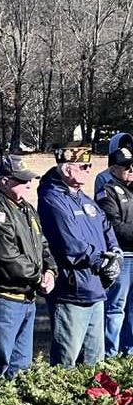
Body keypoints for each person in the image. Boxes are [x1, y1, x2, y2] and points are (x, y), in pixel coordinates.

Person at [0, 155, 56, 377]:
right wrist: (38, 277)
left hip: (25, 298)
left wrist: (50, 270)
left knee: (21, 367)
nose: (28, 185)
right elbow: (6, 257)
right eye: (21, 180)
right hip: (2, 298)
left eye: (29, 180)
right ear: (3, 181)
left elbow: (42, 243)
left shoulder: (26, 207)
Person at [39, 145, 119, 367]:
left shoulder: (83, 197)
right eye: (83, 166)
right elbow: (70, 245)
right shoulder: (52, 199)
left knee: (95, 360)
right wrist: (101, 260)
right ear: (66, 170)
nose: (88, 170)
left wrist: (115, 252)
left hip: (95, 288)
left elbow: (105, 225)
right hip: (72, 290)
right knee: (67, 358)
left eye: (90, 165)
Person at [95, 146, 133, 357]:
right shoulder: (107, 191)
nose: (131, 169)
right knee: (116, 308)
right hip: (123, 257)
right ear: (113, 169)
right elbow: (114, 226)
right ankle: (110, 353)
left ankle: (129, 352)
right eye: (126, 166)